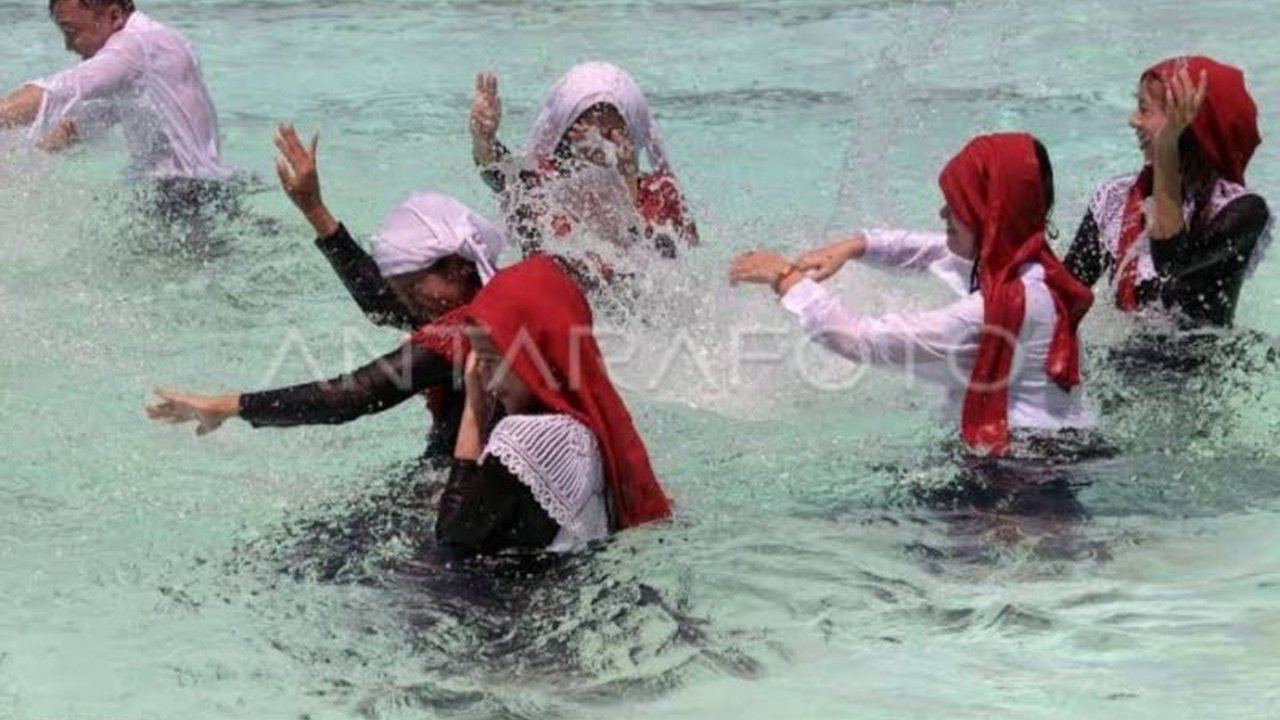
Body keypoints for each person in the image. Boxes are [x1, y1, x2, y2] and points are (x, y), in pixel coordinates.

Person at [145, 125, 506, 462]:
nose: (408, 303)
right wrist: (314, 209)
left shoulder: (469, 330)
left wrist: (227, 405)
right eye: (403, 291)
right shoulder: (485, 295)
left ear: (458, 266)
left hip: (477, 490)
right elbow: (380, 302)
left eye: (413, 288)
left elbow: (354, 395)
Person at [730, 133, 1095, 457]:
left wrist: (783, 277)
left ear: (990, 215)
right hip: (1052, 452)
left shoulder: (991, 312)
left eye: (956, 204)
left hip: (1024, 480)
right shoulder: (1032, 271)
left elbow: (859, 340)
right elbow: (936, 250)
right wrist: (858, 245)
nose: (942, 212)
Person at [435, 255, 672, 555]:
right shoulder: (592, 427)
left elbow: (451, 542)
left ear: (537, 356)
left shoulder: (527, 439)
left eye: (492, 362)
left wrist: (473, 414)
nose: (487, 382)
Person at [1064, 56, 1270, 330]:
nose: (1133, 121)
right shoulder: (1115, 196)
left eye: (1144, 109)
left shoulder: (1241, 210)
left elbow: (1170, 267)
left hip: (1199, 369)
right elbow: (1065, 295)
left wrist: (1166, 149)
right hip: (1123, 363)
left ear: (1189, 125)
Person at [469, 62, 697, 286]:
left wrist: (624, 176)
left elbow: (660, 273)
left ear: (632, 133)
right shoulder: (542, 189)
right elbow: (498, 174)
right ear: (564, 133)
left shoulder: (659, 194)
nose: (597, 142)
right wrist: (484, 140)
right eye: (584, 128)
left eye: (611, 133)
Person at [0, 1, 226, 182]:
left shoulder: (133, 46)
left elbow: (62, 90)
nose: (69, 45)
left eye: (71, 31)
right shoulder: (154, 41)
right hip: (202, 190)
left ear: (115, 16)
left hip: (183, 197)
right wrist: (41, 150)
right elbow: (96, 116)